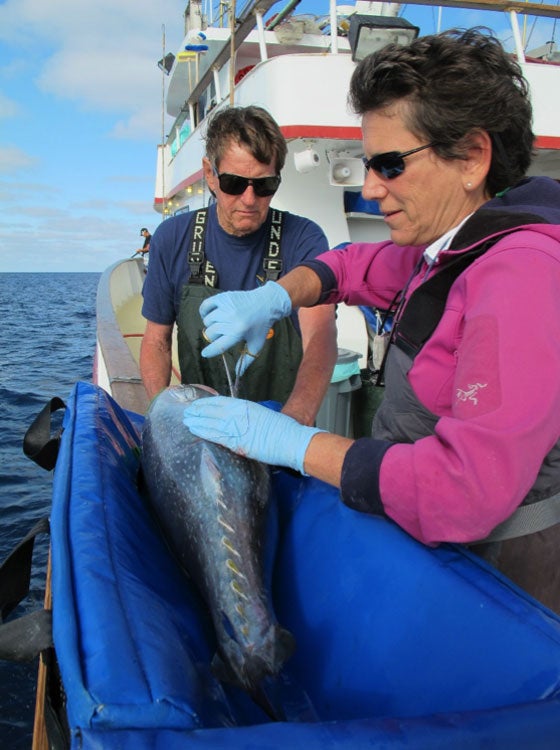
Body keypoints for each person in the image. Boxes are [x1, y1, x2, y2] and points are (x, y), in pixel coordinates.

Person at [182, 29, 560, 612]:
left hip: (498, 582)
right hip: (427, 545)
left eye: (389, 164)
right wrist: (274, 299)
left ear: (472, 157)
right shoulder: (451, 248)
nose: (369, 187)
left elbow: (466, 489)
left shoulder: (523, 277)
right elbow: (350, 265)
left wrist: (296, 443)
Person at [140, 105, 337, 425]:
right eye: (234, 182)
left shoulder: (304, 238)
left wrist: (293, 423)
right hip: (203, 429)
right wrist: (159, 417)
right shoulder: (172, 238)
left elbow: (320, 336)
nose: (249, 199)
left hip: (280, 425)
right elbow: (156, 341)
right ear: (210, 174)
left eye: (264, 185)